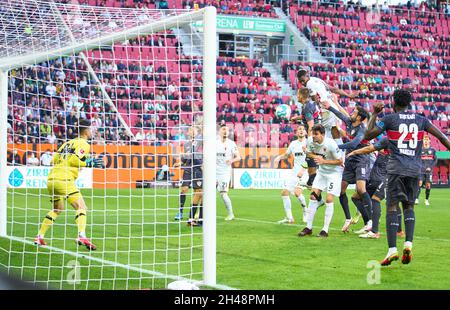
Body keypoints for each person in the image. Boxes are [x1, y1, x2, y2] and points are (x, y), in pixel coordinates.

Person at [364, 89, 450, 266]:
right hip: (414, 170)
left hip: (396, 169)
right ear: (409, 103)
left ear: (394, 102)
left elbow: (368, 135)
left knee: (392, 208)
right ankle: (409, 244)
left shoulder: (389, 119)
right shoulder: (421, 120)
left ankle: (392, 250)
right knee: (409, 206)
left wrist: (373, 114)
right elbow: (441, 136)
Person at [34, 119, 104, 250]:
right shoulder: (83, 144)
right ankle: (81, 235)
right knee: (81, 207)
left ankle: (39, 236)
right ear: (86, 130)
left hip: (52, 179)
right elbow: (74, 159)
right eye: (90, 129)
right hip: (64, 180)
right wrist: (88, 162)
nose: (92, 131)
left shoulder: (66, 143)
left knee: (57, 209)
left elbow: (54, 160)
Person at [321, 101, 372, 233]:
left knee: (361, 189)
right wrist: (329, 107)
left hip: (361, 159)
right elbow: (340, 114)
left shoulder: (362, 129)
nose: (351, 113)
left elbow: (354, 143)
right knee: (341, 190)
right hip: (350, 160)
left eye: (354, 112)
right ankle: (348, 218)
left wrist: (336, 146)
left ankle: (370, 221)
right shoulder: (350, 123)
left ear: (360, 117)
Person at [298, 124, 344, 238]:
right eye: (313, 133)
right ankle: (308, 228)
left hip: (334, 173)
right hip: (322, 173)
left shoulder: (331, 144)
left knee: (329, 199)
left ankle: (325, 230)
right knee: (313, 196)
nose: (313, 136)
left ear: (323, 134)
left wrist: (323, 161)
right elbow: (308, 152)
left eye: (316, 134)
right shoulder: (310, 141)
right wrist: (315, 157)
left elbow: (340, 161)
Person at [347, 137, 389, 239]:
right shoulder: (384, 145)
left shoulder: (386, 143)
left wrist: (355, 152)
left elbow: (370, 148)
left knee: (375, 199)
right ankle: (368, 224)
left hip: (381, 179)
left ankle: (373, 227)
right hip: (374, 178)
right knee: (356, 197)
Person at [274, 125, 308, 224]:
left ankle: (305, 211)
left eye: (303, 129)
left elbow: (310, 158)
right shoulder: (293, 144)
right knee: (284, 192)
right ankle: (289, 218)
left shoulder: (309, 142)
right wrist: (279, 157)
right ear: (296, 133)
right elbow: (287, 155)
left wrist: (303, 169)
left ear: (305, 132)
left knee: (297, 193)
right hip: (294, 172)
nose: (301, 131)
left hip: (305, 171)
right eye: (299, 130)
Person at [173, 126, 203, 226]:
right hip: (188, 169)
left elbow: (198, 155)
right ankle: (181, 212)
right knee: (184, 189)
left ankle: (197, 217)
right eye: (190, 130)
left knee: (198, 192)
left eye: (193, 130)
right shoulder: (187, 144)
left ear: (197, 132)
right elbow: (185, 158)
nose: (191, 131)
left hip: (197, 168)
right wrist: (180, 163)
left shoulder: (200, 142)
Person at [216, 125, 241, 221]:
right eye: (223, 129)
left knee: (223, 194)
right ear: (219, 131)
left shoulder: (231, 144)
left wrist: (231, 160)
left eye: (227, 130)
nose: (225, 131)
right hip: (213, 171)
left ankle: (231, 214)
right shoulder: (214, 143)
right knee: (205, 193)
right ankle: (202, 213)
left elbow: (238, 157)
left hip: (224, 172)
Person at [416, 135, 437, 206]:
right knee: (419, 183)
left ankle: (426, 200)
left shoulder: (433, 150)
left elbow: (435, 160)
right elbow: (417, 159)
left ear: (429, 141)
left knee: (428, 185)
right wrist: (420, 167)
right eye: (424, 139)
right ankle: (416, 199)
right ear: (423, 141)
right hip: (421, 170)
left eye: (427, 139)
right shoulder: (420, 150)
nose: (426, 141)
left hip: (429, 171)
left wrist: (430, 167)